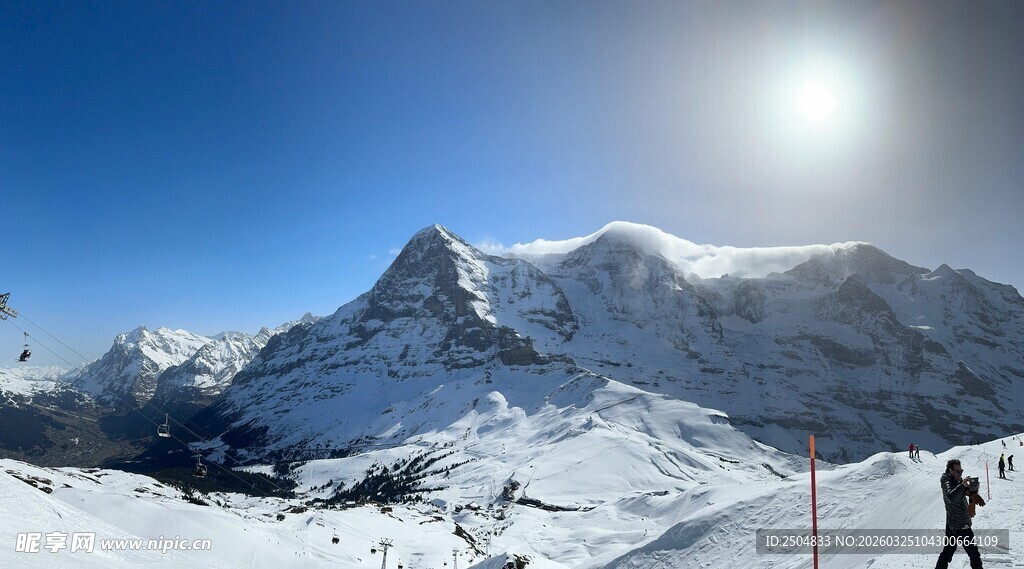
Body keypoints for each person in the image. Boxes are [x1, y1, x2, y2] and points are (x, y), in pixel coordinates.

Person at [935, 459, 984, 569]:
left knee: (947, 552)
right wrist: (962, 486)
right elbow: (951, 497)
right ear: (950, 471)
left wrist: (972, 491)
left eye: (961, 471)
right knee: (974, 555)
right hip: (961, 525)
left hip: (952, 524)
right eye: (958, 471)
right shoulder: (947, 482)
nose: (960, 473)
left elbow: (961, 493)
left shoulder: (955, 480)